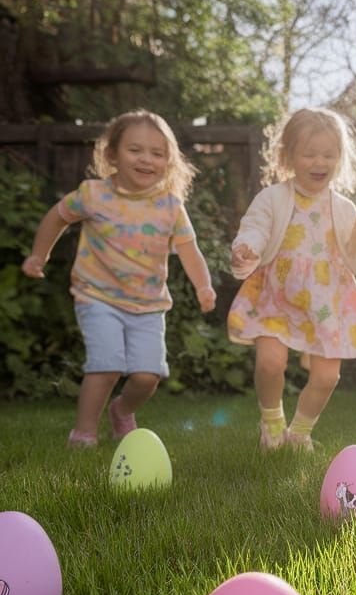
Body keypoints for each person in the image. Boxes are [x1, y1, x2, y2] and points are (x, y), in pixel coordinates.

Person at [21, 109, 216, 447]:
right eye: (135, 150)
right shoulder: (93, 194)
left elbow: (189, 249)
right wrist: (40, 254)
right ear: (112, 154)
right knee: (106, 365)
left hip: (148, 305)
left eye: (158, 153)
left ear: (169, 162)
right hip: (97, 297)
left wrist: (204, 285)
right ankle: (83, 432)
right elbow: (57, 217)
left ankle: (122, 411)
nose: (146, 160)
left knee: (147, 377)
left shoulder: (170, 205)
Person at [227, 107, 356, 451]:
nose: (318, 162)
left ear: (340, 158)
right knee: (269, 362)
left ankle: (299, 433)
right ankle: (272, 423)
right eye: (309, 153)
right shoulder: (273, 198)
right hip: (277, 297)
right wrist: (247, 248)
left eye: (328, 154)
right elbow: (255, 227)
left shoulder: (343, 208)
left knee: (327, 376)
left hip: (327, 302)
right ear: (288, 155)